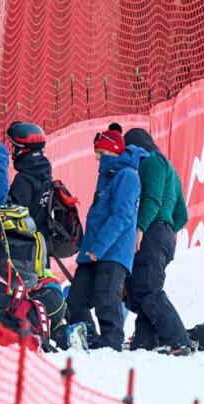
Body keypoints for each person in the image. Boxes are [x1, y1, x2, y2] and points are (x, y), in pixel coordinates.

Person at [65, 124, 148, 351]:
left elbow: (121, 216)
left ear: (111, 151)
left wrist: (99, 247)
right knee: (75, 300)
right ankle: (87, 336)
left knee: (106, 300)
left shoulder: (127, 176)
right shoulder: (108, 176)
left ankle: (111, 344)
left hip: (112, 252)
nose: (96, 158)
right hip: (93, 252)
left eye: (99, 153)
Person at [123, 128, 192, 355]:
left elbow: (151, 199)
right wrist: (169, 231)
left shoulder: (150, 162)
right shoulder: (170, 169)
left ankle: (178, 340)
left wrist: (141, 228)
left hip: (151, 233)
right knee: (140, 290)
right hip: (163, 235)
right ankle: (145, 341)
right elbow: (182, 213)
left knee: (148, 289)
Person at [5, 121, 52, 240]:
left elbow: (15, 213)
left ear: (21, 150)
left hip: (28, 244)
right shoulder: (46, 171)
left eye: (14, 147)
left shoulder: (23, 179)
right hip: (44, 238)